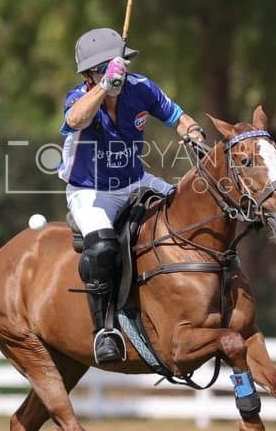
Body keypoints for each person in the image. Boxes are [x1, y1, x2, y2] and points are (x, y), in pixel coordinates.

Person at [58, 26, 205, 364]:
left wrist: (193, 134)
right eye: (105, 67)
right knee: (103, 247)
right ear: (89, 74)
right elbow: (75, 119)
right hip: (90, 191)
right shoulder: (79, 96)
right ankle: (104, 330)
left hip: (136, 181)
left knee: (188, 214)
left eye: (118, 64)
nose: (117, 72)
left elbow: (178, 117)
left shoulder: (142, 88)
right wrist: (103, 89)